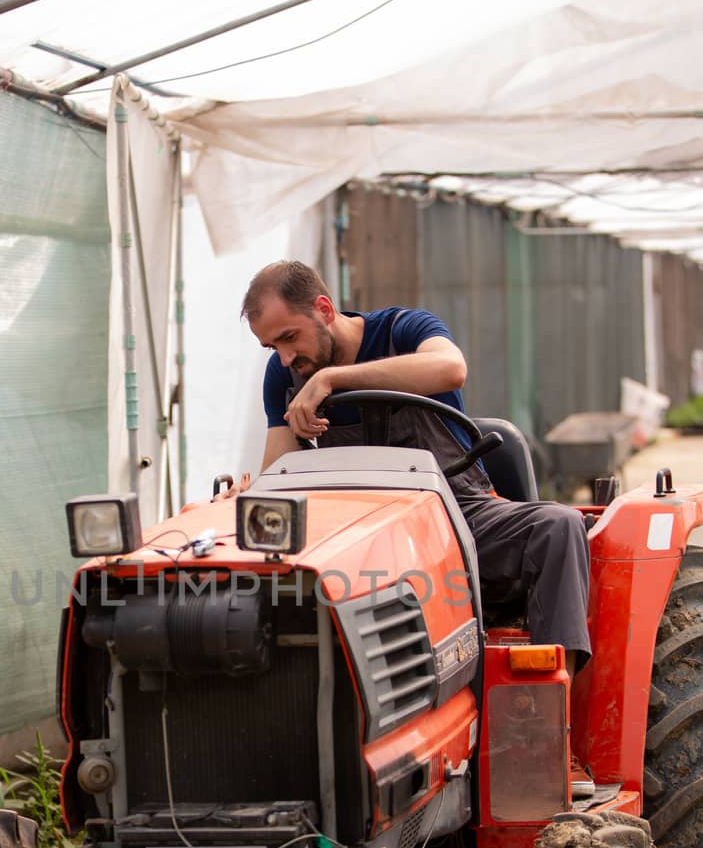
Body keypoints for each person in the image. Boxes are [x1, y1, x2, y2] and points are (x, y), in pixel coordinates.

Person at [241, 260, 592, 683]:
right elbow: (278, 470)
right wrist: (248, 499)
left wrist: (334, 379)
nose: (284, 356)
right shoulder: (285, 374)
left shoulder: (403, 329)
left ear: (324, 309)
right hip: (357, 531)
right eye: (272, 348)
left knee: (559, 526)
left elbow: (450, 368)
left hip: (457, 514)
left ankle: (552, 703)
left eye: (289, 337)